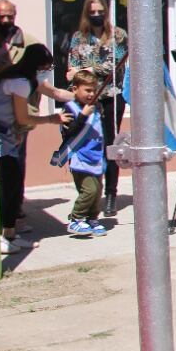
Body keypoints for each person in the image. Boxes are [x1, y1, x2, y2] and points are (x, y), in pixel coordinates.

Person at [0, 44, 62, 254]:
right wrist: (51, 118)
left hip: (9, 136)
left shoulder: (23, 78)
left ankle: (10, 234)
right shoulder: (19, 82)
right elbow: (23, 117)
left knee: (13, 188)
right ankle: (0, 237)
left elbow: (56, 92)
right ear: (36, 65)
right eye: (45, 68)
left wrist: (80, 97)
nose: (46, 72)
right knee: (6, 189)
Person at [66, 0, 128, 217]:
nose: (96, 16)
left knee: (109, 145)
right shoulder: (78, 37)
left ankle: (110, 193)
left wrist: (89, 70)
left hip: (111, 97)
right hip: (87, 99)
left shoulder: (118, 35)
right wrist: (86, 72)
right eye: (92, 12)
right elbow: (72, 68)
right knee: (86, 143)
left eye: (99, 12)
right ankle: (90, 192)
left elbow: (116, 66)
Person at [51, 71, 108, 238]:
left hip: (96, 156)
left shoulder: (97, 107)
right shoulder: (70, 108)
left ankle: (92, 218)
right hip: (79, 157)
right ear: (75, 89)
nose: (91, 94)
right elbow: (70, 131)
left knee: (98, 191)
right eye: (87, 90)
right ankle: (76, 218)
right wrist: (83, 116)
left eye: (94, 90)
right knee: (89, 190)